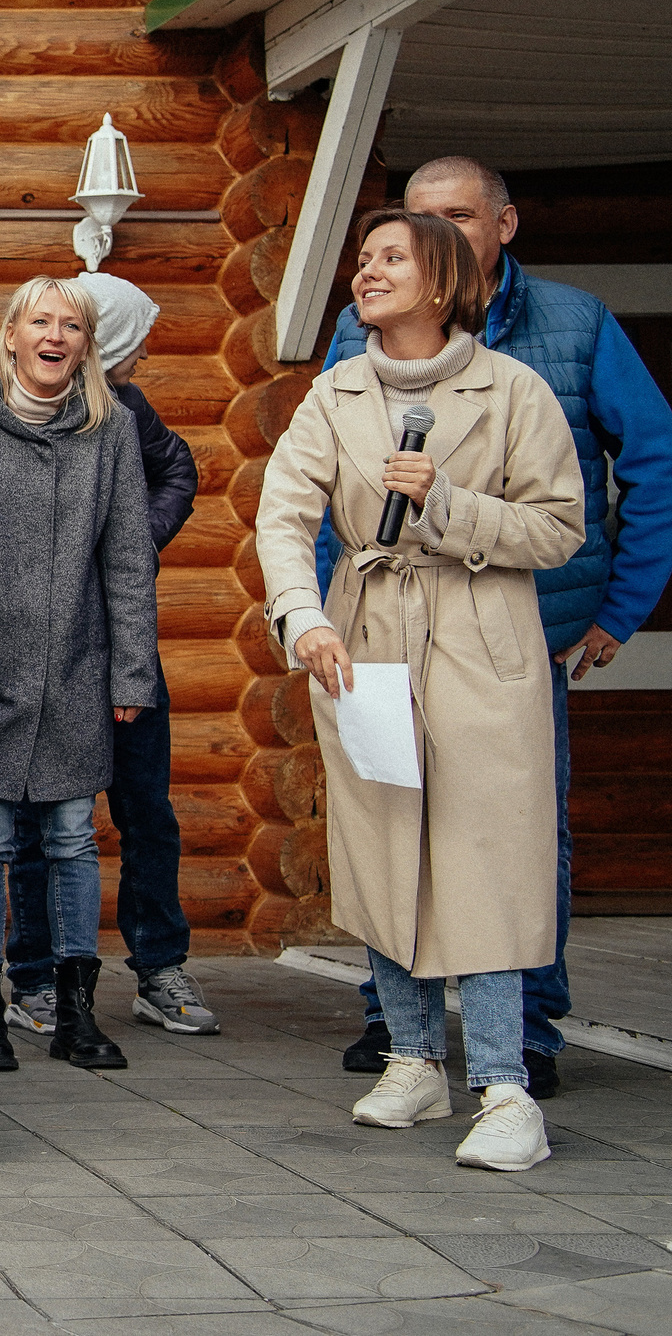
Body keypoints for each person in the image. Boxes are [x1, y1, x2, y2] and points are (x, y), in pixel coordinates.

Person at [315, 158, 672, 1097]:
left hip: (521, 631)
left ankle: (525, 1036)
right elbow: (324, 505)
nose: (433, 235)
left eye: (457, 217)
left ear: (502, 226)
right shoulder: (355, 342)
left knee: (510, 837)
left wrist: (621, 611)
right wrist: (325, 619)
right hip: (381, 634)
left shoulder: (572, 327)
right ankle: (404, 1033)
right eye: (411, 221)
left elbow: (647, 462)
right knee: (392, 816)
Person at [260, 209, 582, 1171]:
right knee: (382, 845)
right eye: (362, 259)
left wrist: (445, 505)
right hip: (365, 634)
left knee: (484, 858)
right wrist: (304, 618)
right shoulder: (335, 393)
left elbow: (561, 527)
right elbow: (283, 513)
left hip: (483, 639)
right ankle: (412, 1059)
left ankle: (507, 1088)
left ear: (442, 280)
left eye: (390, 258)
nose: (367, 272)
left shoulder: (514, 389)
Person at [0, 276, 158, 1076]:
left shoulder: (112, 429)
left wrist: (131, 673)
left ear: (87, 345)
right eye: (40, 321)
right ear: (12, 336)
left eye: (72, 325)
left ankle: (75, 1010)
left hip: (77, 669)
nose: (56, 335)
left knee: (71, 839)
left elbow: (128, 557)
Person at [4, 275, 218, 1039]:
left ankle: (158, 967)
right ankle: (29, 975)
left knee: (144, 810)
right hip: (36, 651)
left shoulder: (125, 412)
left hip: (122, 648)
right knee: (31, 818)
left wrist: (133, 543)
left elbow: (179, 471)